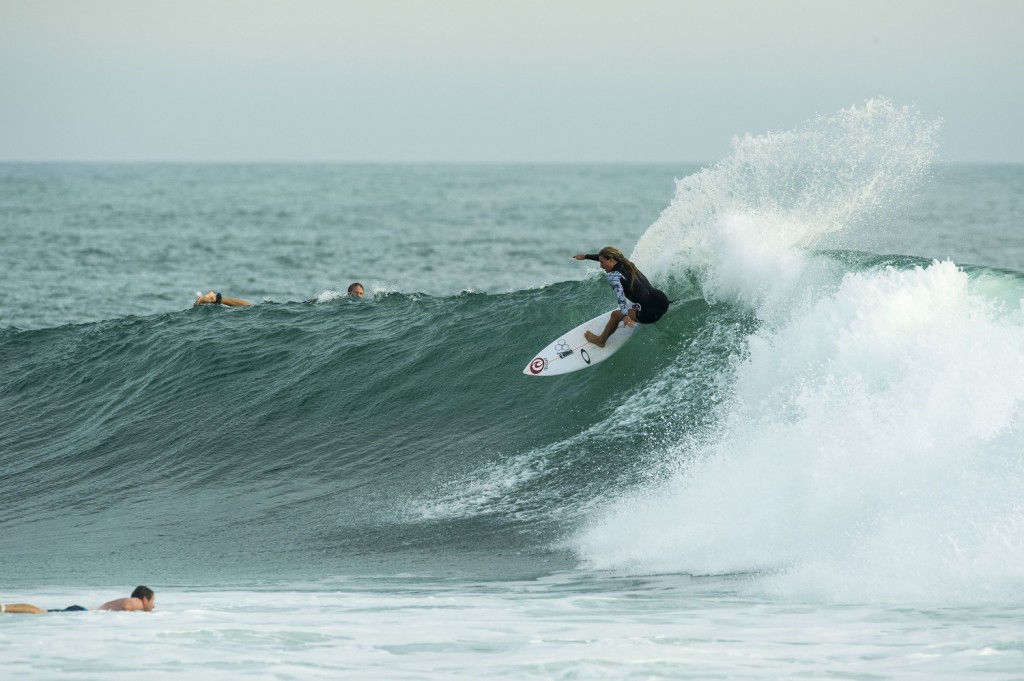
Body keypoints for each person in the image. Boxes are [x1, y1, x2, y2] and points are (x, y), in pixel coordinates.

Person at [573, 247, 669, 347]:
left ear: (611, 259)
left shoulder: (613, 276)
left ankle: (601, 341)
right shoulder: (625, 262)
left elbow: (621, 297)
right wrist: (585, 256)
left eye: (602, 262)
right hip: (663, 301)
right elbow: (603, 257)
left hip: (651, 314)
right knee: (642, 297)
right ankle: (640, 309)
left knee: (614, 315)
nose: (601, 266)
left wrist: (625, 316)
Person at [1, 586, 156, 614]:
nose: (154, 606)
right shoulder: (135, 602)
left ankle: (5, 608)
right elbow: (127, 606)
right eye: (152, 601)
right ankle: (4, 607)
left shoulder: (118, 601)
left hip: (81, 612)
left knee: (42, 612)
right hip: (80, 613)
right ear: (144, 599)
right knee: (40, 612)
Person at [194, 282, 364, 307]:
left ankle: (217, 299)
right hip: (303, 309)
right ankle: (217, 298)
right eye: (356, 293)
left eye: (361, 294)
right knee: (252, 308)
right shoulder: (340, 302)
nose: (359, 296)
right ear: (348, 293)